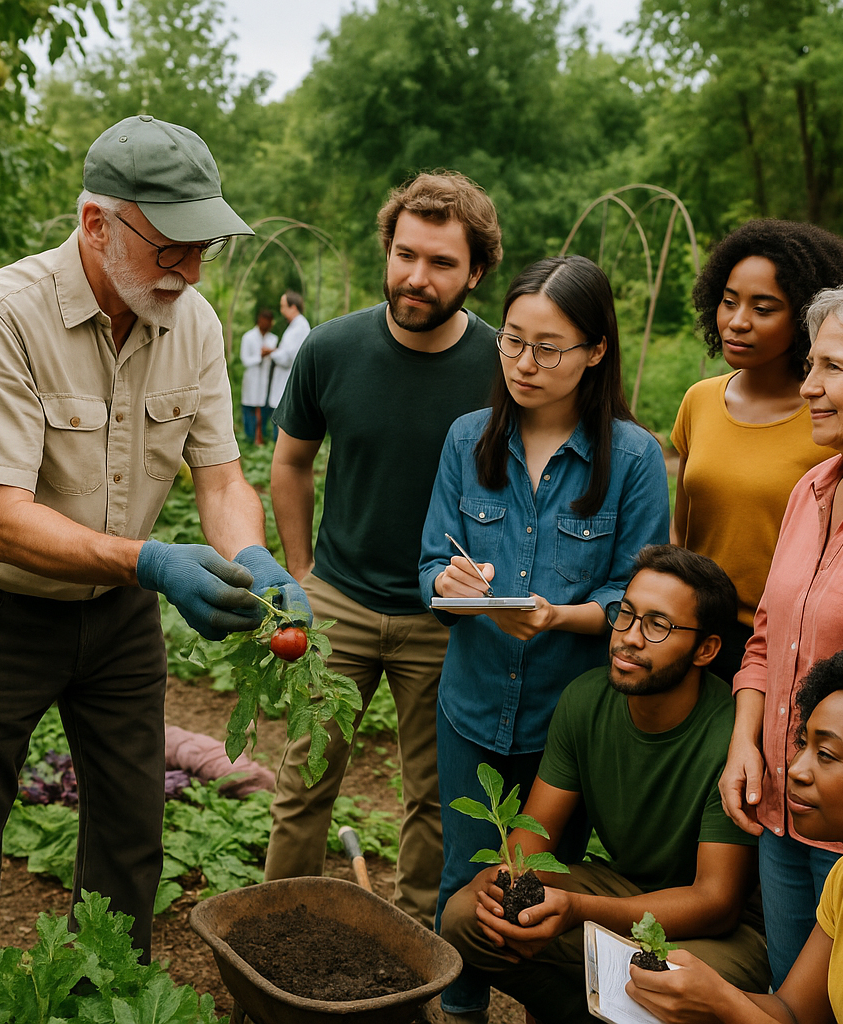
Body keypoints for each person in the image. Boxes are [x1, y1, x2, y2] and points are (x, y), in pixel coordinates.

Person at [0, 116, 309, 961]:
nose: (191, 271)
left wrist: (253, 558)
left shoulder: (192, 322)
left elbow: (220, 478)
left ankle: (111, 994)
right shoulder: (4, 317)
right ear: (97, 223)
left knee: (132, 836)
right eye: (172, 247)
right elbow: (1, 521)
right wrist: (154, 561)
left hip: (120, 616)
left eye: (203, 247)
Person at [419, 254, 670, 1019]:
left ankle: (540, 1006)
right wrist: (453, 588)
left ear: (597, 350)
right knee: (464, 873)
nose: (525, 364)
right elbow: (432, 561)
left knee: (538, 884)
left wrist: (557, 617)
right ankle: (459, 1011)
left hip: (570, 720)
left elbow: (634, 593)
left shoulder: (632, 458)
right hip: (471, 700)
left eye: (549, 347)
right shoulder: (469, 440)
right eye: (513, 342)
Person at [264, 170, 503, 928]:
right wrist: (303, 572)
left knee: (435, 797)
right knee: (303, 782)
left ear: (477, 271)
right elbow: (290, 462)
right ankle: (274, 931)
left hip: (446, 616)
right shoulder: (332, 349)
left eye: (440, 263)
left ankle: (411, 947)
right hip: (338, 599)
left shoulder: (503, 365)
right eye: (405, 254)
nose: (416, 277)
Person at [438, 546, 770, 1024]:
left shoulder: (730, 736)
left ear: (707, 649)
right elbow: (531, 842)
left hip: (719, 934)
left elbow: (714, 903)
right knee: (468, 916)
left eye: (658, 625)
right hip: (623, 890)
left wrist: (574, 909)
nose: (629, 638)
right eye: (626, 615)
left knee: (663, 982)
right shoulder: (586, 700)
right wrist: (505, 882)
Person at [720, 284, 843, 989]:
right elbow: (767, 639)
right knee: (787, 992)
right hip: (780, 805)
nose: (809, 387)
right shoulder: (811, 491)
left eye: (833, 368)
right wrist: (746, 743)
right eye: (811, 366)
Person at [629, 646, 843, 1024]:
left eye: (826, 754)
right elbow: (792, 1011)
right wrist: (698, 989)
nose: (795, 769)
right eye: (802, 744)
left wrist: (722, 1003)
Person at [671, 220, 843, 682]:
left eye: (763, 308)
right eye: (729, 301)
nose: (737, 321)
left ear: (803, 319)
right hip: (696, 634)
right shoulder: (699, 400)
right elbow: (683, 528)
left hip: (787, 642)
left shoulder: (829, 421)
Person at [264, 290, 310, 438]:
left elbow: (287, 358)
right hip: (285, 378)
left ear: (293, 307)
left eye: (283, 306)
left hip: (287, 377)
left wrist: (272, 352)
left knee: (283, 423)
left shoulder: (299, 328)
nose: (281, 310)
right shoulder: (295, 326)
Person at [239, 307, 277, 442]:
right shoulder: (248, 337)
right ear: (259, 321)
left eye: (269, 321)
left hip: (266, 381)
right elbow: (245, 360)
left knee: (264, 410)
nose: (266, 324)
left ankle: (261, 437)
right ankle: (250, 438)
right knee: (249, 409)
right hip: (251, 379)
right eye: (264, 320)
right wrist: (260, 356)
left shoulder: (273, 339)